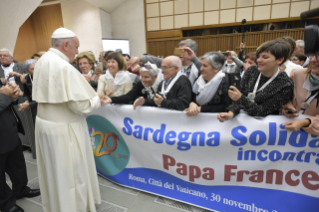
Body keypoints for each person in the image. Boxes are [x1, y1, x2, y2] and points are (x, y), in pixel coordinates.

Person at [32, 27, 109, 212]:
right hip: (64, 131)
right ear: (66, 44)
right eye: (76, 47)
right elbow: (80, 106)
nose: (77, 51)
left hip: (45, 126)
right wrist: (99, 99)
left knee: (54, 172)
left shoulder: (42, 60)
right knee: (72, 175)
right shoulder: (64, 66)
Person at [217, 39, 294, 122]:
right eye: (259, 56)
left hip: (264, 129)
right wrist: (231, 113)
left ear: (280, 60)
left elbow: (261, 111)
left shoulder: (285, 84)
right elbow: (239, 97)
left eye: (265, 57)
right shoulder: (251, 71)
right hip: (243, 123)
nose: (258, 60)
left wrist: (240, 98)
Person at [0, 84, 40, 212]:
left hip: (9, 132)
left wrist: (13, 96)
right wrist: (5, 95)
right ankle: (5, 203)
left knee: (17, 164)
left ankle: (21, 189)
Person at [129, 39, 201, 84]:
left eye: (184, 51)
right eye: (179, 51)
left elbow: (203, 70)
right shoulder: (173, 62)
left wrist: (194, 58)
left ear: (192, 52)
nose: (180, 54)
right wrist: (140, 59)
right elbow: (156, 62)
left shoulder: (197, 67)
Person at [282, 55, 319, 134]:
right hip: (289, 134)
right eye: (312, 55)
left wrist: (305, 122)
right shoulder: (298, 74)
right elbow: (286, 96)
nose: (313, 60)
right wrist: (287, 106)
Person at [18, 59, 38, 125]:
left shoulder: (46, 77)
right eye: (33, 69)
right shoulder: (26, 79)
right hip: (35, 105)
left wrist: (29, 104)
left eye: (38, 67)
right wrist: (26, 101)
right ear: (27, 71)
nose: (37, 70)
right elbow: (26, 93)